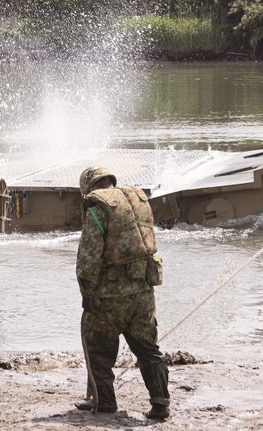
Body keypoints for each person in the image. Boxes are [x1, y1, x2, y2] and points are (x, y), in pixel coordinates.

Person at [74, 166, 170, 419]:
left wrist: (87, 291)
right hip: (143, 292)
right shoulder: (135, 201)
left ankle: (104, 402)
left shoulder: (97, 207)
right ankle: (160, 403)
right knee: (149, 349)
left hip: (108, 296)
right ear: (110, 182)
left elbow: (89, 255)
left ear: (87, 188)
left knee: (97, 349)